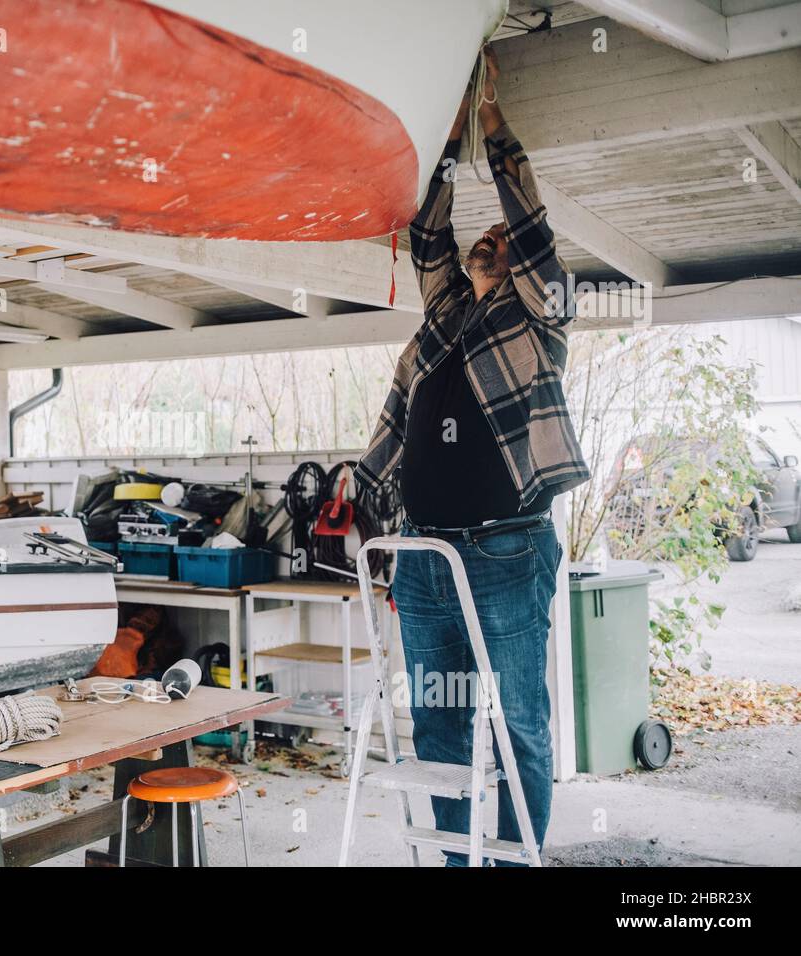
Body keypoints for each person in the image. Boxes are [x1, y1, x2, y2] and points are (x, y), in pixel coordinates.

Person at [354, 46, 590, 866]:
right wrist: (448, 134)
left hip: (505, 548)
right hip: (423, 555)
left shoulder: (540, 320)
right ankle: (459, 863)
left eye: (500, 240)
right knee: (441, 721)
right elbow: (426, 234)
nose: (489, 241)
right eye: (481, 239)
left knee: (520, 717)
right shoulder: (448, 315)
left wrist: (495, 126)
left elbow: (529, 228)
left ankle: (517, 858)